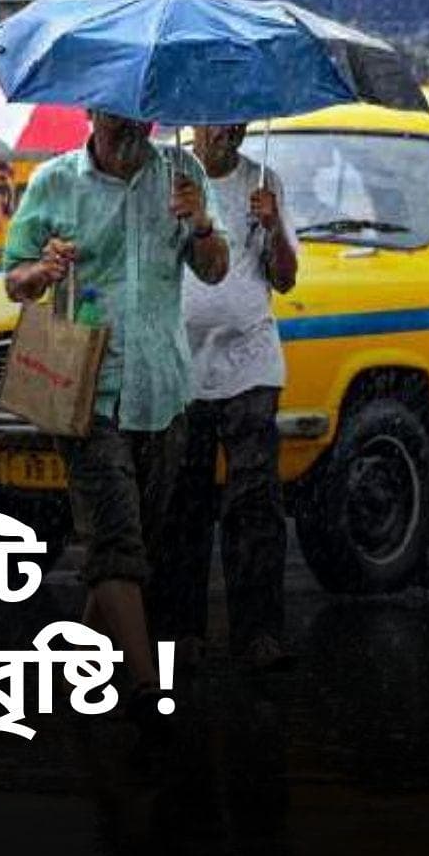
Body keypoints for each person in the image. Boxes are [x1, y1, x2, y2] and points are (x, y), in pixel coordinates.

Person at [2, 110, 230, 735]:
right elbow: (15, 281)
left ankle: (75, 664)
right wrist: (42, 270)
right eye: (115, 117)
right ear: (91, 112)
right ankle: (147, 689)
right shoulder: (54, 182)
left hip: (163, 388)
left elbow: (215, 269)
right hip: (87, 391)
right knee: (116, 541)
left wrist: (201, 224)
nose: (130, 128)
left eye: (140, 118)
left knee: (134, 547)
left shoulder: (182, 174)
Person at [156, 122, 298, 672]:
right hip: (181, 367)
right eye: (218, 120)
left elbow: (284, 279)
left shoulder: (264, 182)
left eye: (238, 120)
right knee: (182, 502)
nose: (229, 131)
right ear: (195, 122)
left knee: (254, 501)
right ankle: (180, 630)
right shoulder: (166, 179)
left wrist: (274, 227)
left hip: (251, 364)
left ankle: (258, 632)